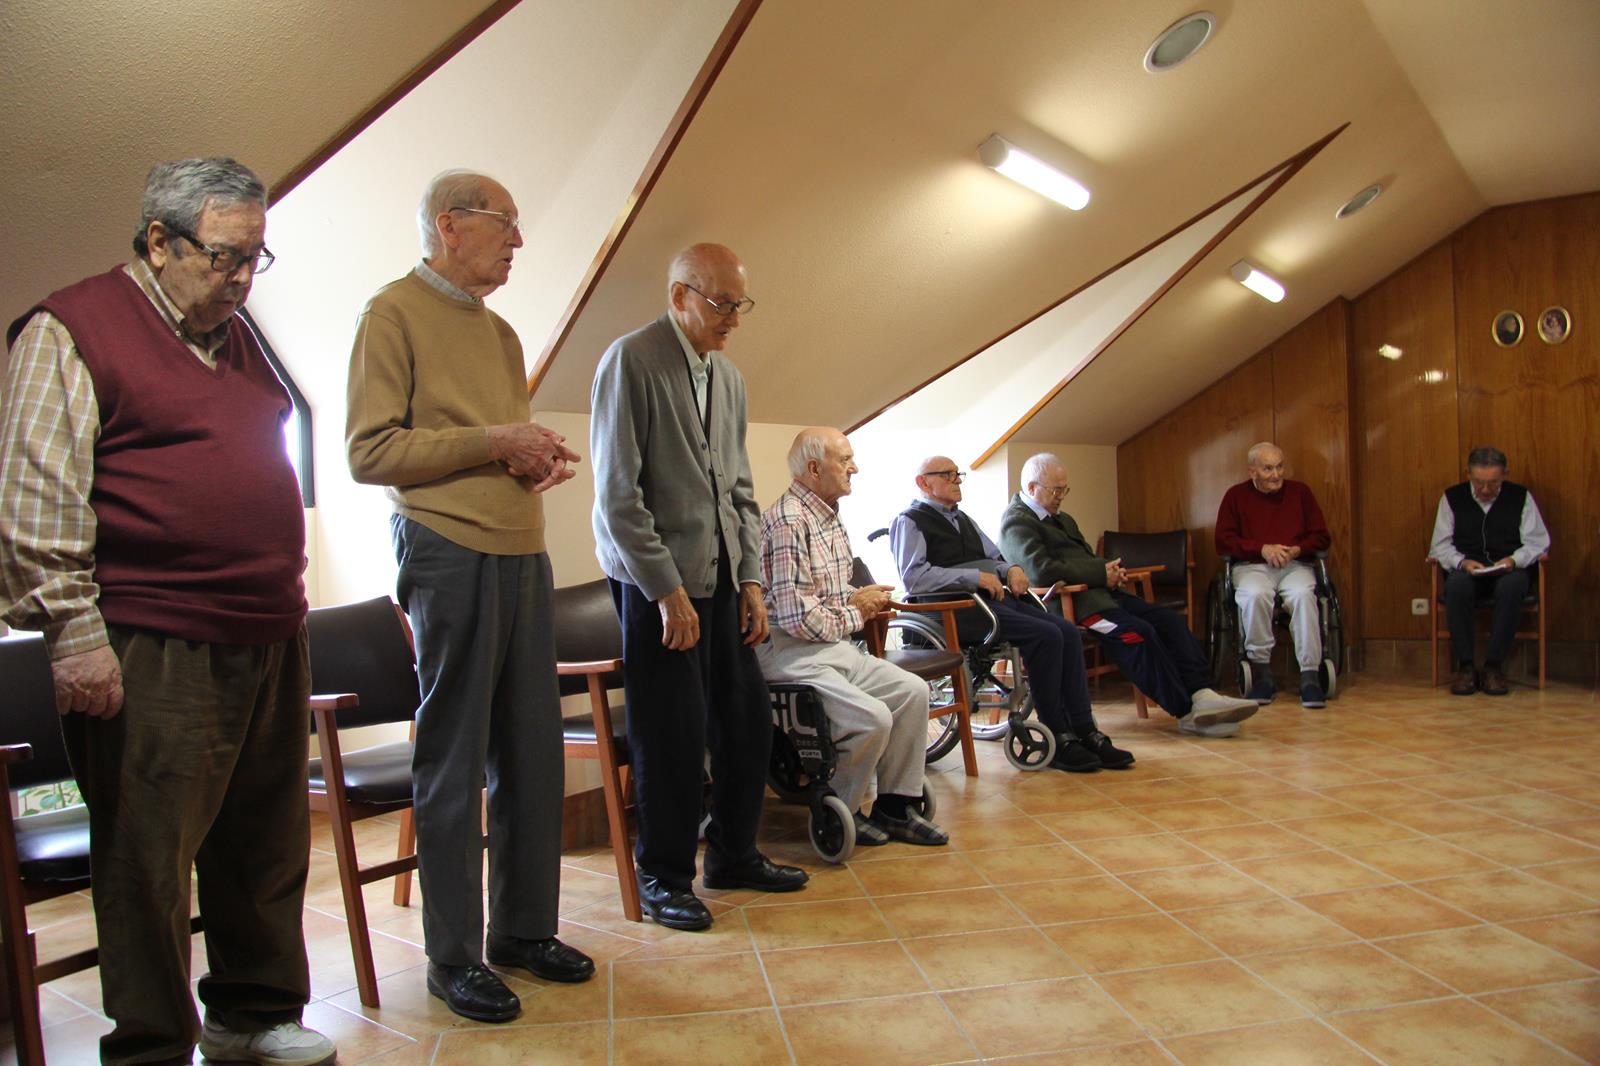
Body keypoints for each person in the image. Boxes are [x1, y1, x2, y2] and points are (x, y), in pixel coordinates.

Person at [0, 158, 334, 1066]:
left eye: (255, 258)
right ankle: (150, 1044)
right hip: (152, 637)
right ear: (159, 240)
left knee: (264, 842)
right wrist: (73, 635)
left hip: (267, 628)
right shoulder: (72, 329)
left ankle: (251, 1014)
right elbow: (36, 500)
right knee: (147, 858)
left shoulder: (237, 333)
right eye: (225, 256)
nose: (241, 277)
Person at [346, 170, 592, 1024]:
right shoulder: (390, 313)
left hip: (522, 548)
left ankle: (523, 930)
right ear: (450, 225)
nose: (518, 241)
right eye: (505, 223)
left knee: (532, 752)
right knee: (453, 756)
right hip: (446, 548)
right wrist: (496, 441)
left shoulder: (503, 333)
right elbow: (370, 451)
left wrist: (531, 461)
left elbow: (492, 446)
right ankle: (453, 957)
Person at [590, 243, 807, 932]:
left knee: (747, 721)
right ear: (679, 295)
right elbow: (617, 496)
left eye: (740, 304)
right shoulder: (631, 360)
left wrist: (751, 579)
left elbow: (739, 490)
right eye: (721, 304)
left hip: (722, 581)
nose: (733, 318)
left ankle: (735, 854)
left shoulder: (728, 377)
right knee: (672, 737)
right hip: (657, 588)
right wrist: (665, 590)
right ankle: (664, 876)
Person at [756, 428, 949, 845]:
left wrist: (857, 596)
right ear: (814, 469)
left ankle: (896, 807)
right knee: (872, 718)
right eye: (844, 460)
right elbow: (798, 619)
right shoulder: (789, 522)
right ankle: (841, 808)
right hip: (791, 655)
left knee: (913, 692)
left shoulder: (828, 514)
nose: (854, 468)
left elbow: (826, 593)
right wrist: (856, 611)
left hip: (831, 647)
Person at [890, 456, 1134, 772]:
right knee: (1046, 636)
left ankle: (1084, 729)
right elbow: (914, 577)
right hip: (954, 609)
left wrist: (1012, 569)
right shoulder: (909, 521)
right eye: (947, 475)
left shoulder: (963, 519)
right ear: (923, 482)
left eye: (957, 474)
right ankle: (1057, 734)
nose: (957, 480)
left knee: (1067, 632)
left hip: (990, 602)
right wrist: (974, 577)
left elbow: (995, 556)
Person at [999, 454, 1259, 737]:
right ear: (1032, 487)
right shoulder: (1017, 522)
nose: (1061, 497)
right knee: (1136, 634)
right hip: (1072, 604)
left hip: (1103, 595)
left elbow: (1085, 558)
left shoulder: (1063, 519)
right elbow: (1040, 571)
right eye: (1056, 490)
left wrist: (1110, 571)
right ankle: (1186, 711)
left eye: (1064, 490)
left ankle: (1202, 693)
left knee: (1169, 621)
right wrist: (1100, 572)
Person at [1214, 442, 1331, 708]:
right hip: (1252, 566)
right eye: (1268, 469)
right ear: (1252, 471)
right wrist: (1262, 549)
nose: (1276, 474)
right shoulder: (1235, 496)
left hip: (1295, 565)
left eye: (1280, 467)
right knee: (1255, 595)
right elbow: (1223, 541)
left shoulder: (1300, 493)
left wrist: (1298, 549)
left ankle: (1310, 675)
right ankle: (1262, 672)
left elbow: (1322, 537)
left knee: (1303, 596)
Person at [1427, 446, 1551, 696]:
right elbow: (1439, 546)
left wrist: (1514, 560)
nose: (1485, 489)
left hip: (1509, 569)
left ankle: (1494, 666)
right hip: (1467, 569)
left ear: (1505, 474)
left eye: (1493, 483)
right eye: (1478, 482)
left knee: (1512, 586)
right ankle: (1466, 667)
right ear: (1468, 474)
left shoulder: (1521, 497)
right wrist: (1462, 562)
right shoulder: (1452, 498)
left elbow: (1538, 542)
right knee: (1457, 586)